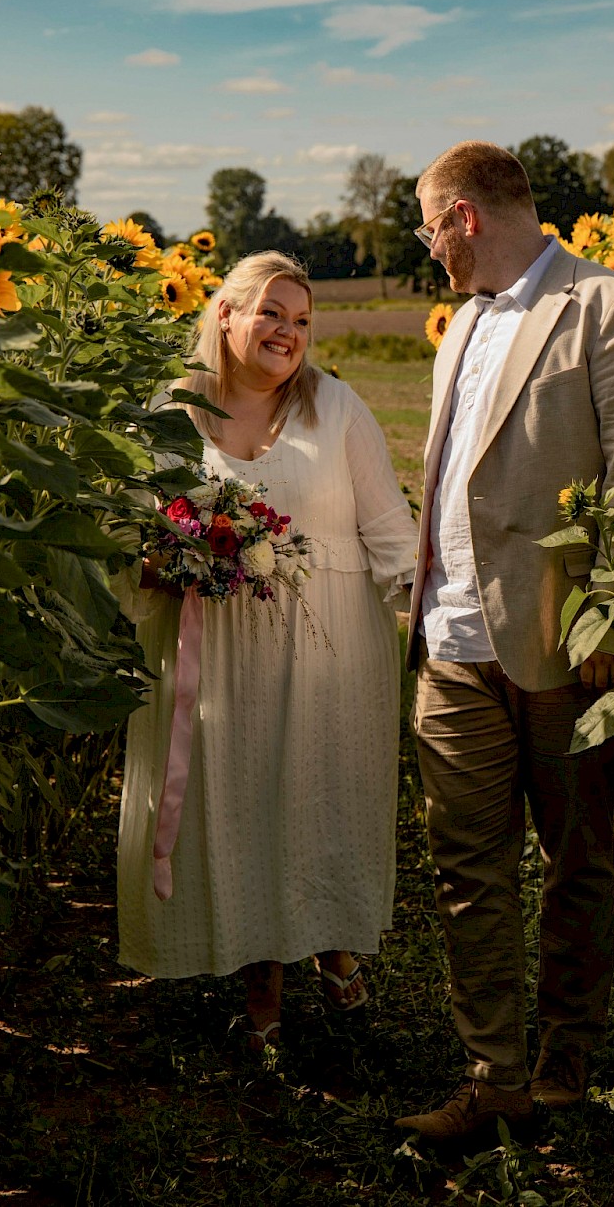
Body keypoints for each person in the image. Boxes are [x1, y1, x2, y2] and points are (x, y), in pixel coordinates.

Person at [395, 142, 614, 1144]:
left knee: (575, 862)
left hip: (565, 642)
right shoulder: (458, 328)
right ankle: (493, 1079)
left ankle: (565, 1070)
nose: (428, 250)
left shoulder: (604, 306)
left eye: (428, 227)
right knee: (465, 869)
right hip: (451, 641)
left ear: (462, 215)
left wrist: (612, 615)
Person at [116, 249, 418, 1046]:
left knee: (320, 801)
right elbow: (131, 531)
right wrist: (171, 557)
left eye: (302, 321)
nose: (288, 332)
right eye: (272, 313)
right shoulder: (173, 409)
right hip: (221, 651)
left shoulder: (337, 409)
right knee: (242, 804)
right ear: (225, 313)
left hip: (333, 648)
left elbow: (390, 532)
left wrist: (432, 630)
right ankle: (264, 1004)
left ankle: (335, 946)